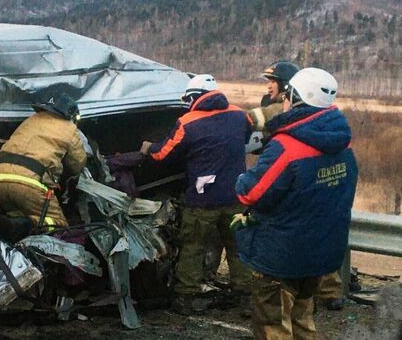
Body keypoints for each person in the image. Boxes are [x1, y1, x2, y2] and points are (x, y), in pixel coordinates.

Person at [233, 68, 358, 339]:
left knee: (273, 326)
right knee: (302, 319)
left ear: (295, 97)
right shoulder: (343, 145)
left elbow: (251, 194)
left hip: (283, 256)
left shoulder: (288, 147)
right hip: (319, 252)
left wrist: (241, 177)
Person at [140, 74, 253, 314]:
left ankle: (186, 298)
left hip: (203, 199)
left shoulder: (187, 122)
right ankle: (246, 297)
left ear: (193, 97)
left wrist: (149, 148)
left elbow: (163, 155)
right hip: (236, 196)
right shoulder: (239, 115)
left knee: (193, 245)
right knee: (238, 246)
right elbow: (244, 138)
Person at [0, 93, 87, 229]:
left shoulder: (30, 120)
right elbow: (77, 164)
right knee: (58, 224)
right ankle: (31, 225)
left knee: (14, 219)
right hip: (30, 185)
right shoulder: (69, 129)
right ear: (71, 115)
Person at [247, 61, 300, 133]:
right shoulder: (277, 103)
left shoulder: (285, 107)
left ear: (285, 85)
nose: (268, 86)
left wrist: (235, 117)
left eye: (273, 82)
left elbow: (261, 116)